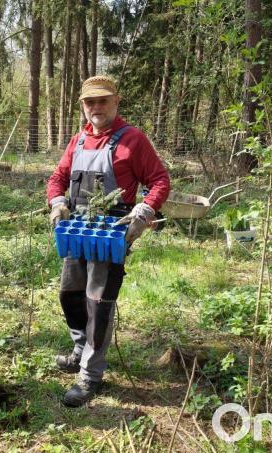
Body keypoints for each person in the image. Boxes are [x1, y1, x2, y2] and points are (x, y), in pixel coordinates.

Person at [46, 75, 171, 407]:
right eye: (90, 102)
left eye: (103, 101)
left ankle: (90, 374)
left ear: (116, 101)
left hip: (112, 233)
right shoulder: (78, 142)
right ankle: (78, 347)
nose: (96, 107)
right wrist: (57, 202)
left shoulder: (132, 140)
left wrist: (145, 209)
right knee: (69, 293)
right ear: (83, 106)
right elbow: (57, 178)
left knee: (98, 304)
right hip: (76, 232)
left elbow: (159, 180)